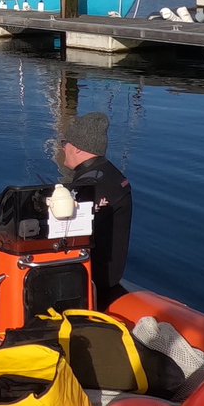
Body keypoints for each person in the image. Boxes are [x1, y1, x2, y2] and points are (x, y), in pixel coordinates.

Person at [59, 112, 132, 310]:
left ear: (78, 148)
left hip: (93, 279)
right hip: (110, 273)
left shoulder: (89, 185)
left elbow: (62, 230)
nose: (63, 147)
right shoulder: (110, 175)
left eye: (65, 142)